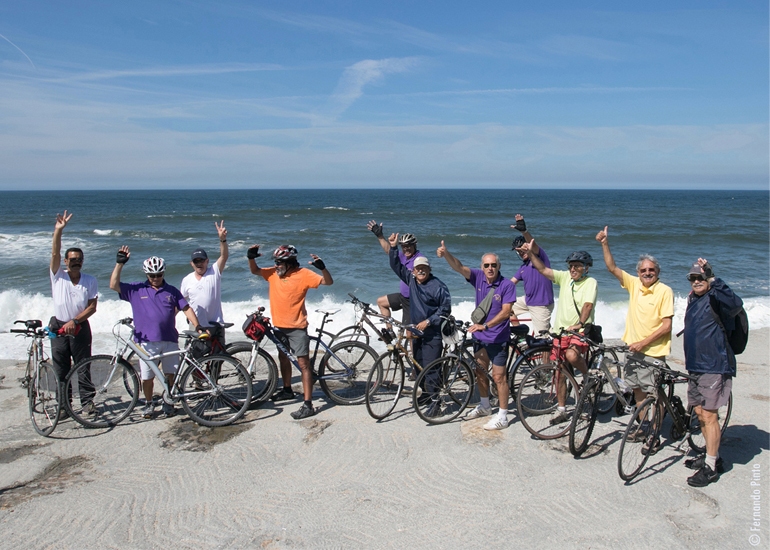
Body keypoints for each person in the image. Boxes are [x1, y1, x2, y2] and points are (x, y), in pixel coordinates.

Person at [595, 226, 673, 446]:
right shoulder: (635, 285)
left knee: (653, 395)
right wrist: (604, 243)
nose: (647, 273)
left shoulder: (664, 291)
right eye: (643, 270)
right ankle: (643, 426)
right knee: (637, 390)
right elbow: (612, 268)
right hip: (633, 349)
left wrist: (643, 343)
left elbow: (666, 326)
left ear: (657, 272)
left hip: (653, 352)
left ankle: (654, 435)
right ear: (638, 273)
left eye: (651, 270)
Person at [110, 247, 205, 419]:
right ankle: (148, 403)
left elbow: (186, 308)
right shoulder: (136, 289)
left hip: (169, 339)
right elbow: (113, 285)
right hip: (146, 342)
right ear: (146, 275)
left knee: (170, 374)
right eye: (152, 275)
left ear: (163, 273)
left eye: (159, 275)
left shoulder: (172, 291)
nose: (155, 278)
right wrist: (119, 264)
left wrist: (197, 326)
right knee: (147, 377)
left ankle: (168, 402)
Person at [437, 241, 516, 430]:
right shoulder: (478, 277)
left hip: (498, 338)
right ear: (482, 267)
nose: (490, 268)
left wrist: (485, 325)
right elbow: (459, 267)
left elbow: (506, 312)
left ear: (499, 266)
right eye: (486, 265)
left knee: (499, 378)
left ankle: (503, 416)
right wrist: (447, 253)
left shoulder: (506, 285)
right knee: (480, 371)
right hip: (481, 338)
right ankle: (485, 405)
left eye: (493, 265)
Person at [247, 244, 333, 420]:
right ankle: (287, 390)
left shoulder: (304, 274)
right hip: (279, 326)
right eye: (276, 262)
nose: (276, 265)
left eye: (279, 262)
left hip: (297, 327)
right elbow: (255, 270)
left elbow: (328, 282)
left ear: (290, 262)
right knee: (283, 358)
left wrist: (323, 268)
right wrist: (250, 257)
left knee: (303, 365)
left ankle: (308, 405)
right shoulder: (272, 273)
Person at [682, 258, 742, 487]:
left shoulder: (717, 297)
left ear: (708, 279)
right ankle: (712, 457)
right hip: (696, 365)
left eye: (701, 277)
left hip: (714, 365)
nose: (697, 281)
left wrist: (713, 277)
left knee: (709, 415)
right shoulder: (692, 299)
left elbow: (736, 303)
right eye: (693, 278)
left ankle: (711, 468)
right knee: (699, 412)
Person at [524, 241, 597, 425]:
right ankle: (562, 409)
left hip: (579, 331)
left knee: (572, 355)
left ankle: (588, 377)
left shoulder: (591, 282)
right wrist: (531, 254)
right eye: (571, 266)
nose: (573, 269)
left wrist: (579, 323)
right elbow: (543, 270)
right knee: (560, 374)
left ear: (586, 268)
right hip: (560, 333)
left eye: (577, 266)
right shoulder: (565, 278)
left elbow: (588, 305)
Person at [49, 211, 98, 415]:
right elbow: (54, 253)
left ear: (82, 261)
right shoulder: (57, 276)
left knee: (83, 367)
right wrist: (58, 231)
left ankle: (87, 403)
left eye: (78, 259)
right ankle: (63, 406)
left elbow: (92, 307)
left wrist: (75, 321)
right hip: (58, 327)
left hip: (80, 328)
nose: (75, 262)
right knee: (61, 370)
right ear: (66, 262)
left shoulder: (89, 280)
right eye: (72, 259)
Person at [387, 234, 451, 380]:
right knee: (419, 366)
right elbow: (396, 265)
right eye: (418, 269)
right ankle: (424, 395)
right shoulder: (412, 281)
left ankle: (435, 400)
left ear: (430, 269)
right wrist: (393, 247)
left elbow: (445, 309)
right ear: (413, 271)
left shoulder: (438, 286)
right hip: (417, 332)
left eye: (424, 268)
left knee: (431, 369)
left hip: (432, 333)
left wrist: (428, 321)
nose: (421, 271)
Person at [366, 221, 424, 341]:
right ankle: (390, 331)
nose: (406, 249)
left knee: (410, 335)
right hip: (403, 296)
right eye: (403, 246)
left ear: (414, 245)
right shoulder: (404, 256)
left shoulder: (419, 259)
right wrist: (380, 236)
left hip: (412, 301)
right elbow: (390, 252)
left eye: (409, 246)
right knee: (381, 302)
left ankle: (415, 358)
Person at [180, 220, 228, 346]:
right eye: (196, 261)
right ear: (192, 264)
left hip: (216, 324)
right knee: (196, 359)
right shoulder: (187, 279)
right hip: (197, 326)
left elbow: (224, 256)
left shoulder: (214, 272)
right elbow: (181, 302)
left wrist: (222, 240)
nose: (199, 264)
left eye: (201, 261)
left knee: (219, 358)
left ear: (207, 261)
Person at [509, 214, 555, 335]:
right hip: (528, 301)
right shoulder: (523, 267)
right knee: (504, 307)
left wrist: (524, 231)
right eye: (518, 251)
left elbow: (533, 245)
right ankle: (520, 335)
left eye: (522, 248)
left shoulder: (540, 258)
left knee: (542, 341)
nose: (521, 252)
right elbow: (510, 283)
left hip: (541, 305)